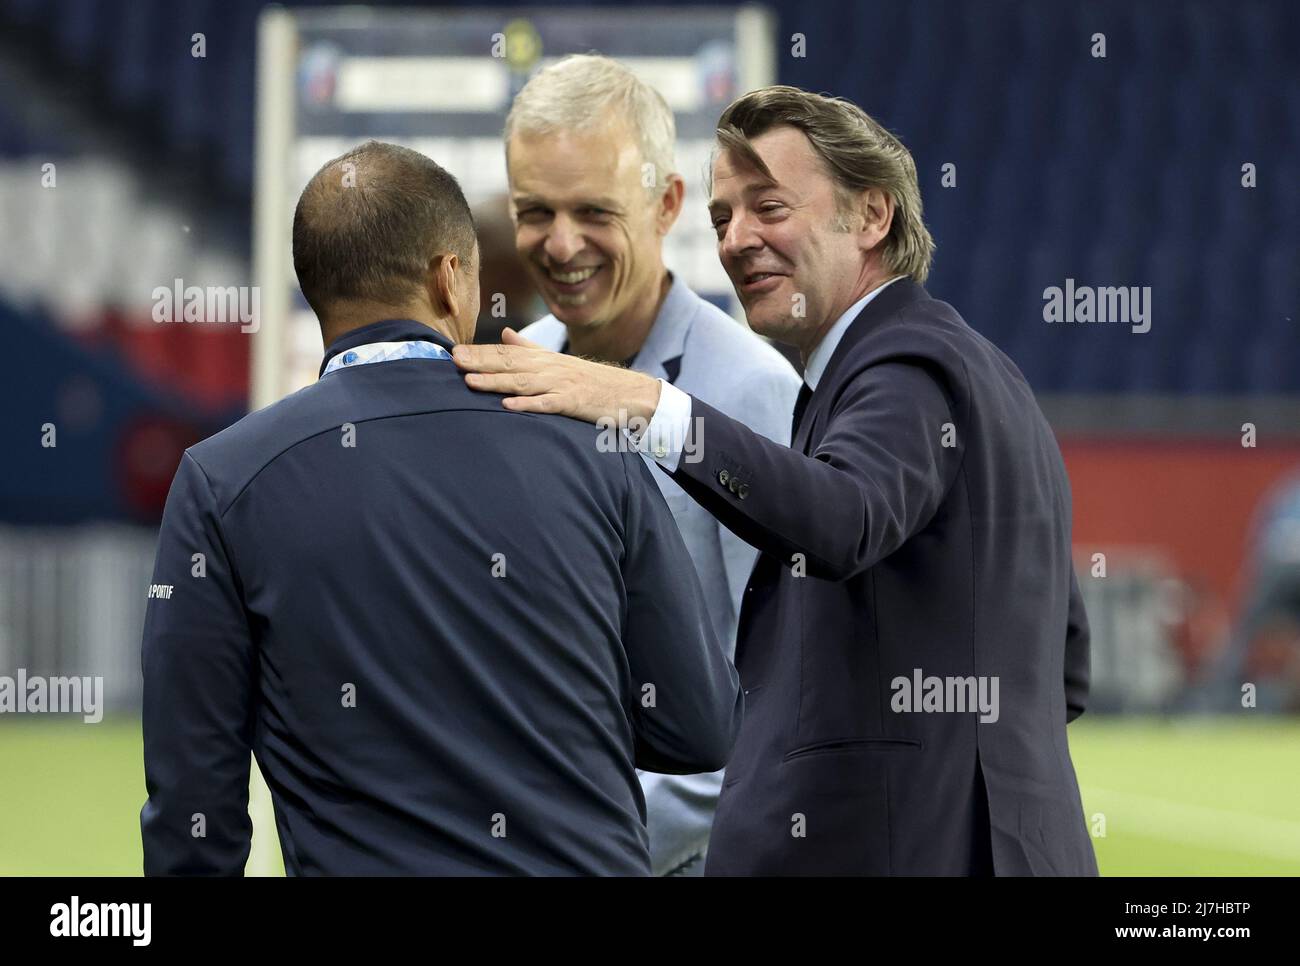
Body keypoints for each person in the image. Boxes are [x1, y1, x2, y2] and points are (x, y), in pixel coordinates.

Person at [454, 87, 1098, 875]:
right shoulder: (971, 368)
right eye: (724, 218)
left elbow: (843, 517)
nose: (736, 239)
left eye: (769, 206)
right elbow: (1064, 663)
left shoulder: (904, 367)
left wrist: (648, 403)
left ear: (871, 216)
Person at [139, 140, 741, 876]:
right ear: (450, 279)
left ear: (316, 287)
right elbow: (700, 730)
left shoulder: (223, 480)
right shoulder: (596, 447)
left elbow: (193, 814)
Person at [503, 54, 799, 875]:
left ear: (667, 203)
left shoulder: (750, 393)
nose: (561, 245)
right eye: (536, 212)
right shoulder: (510, 370)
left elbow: (776, 709)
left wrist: (586, 849)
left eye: (593, 210)